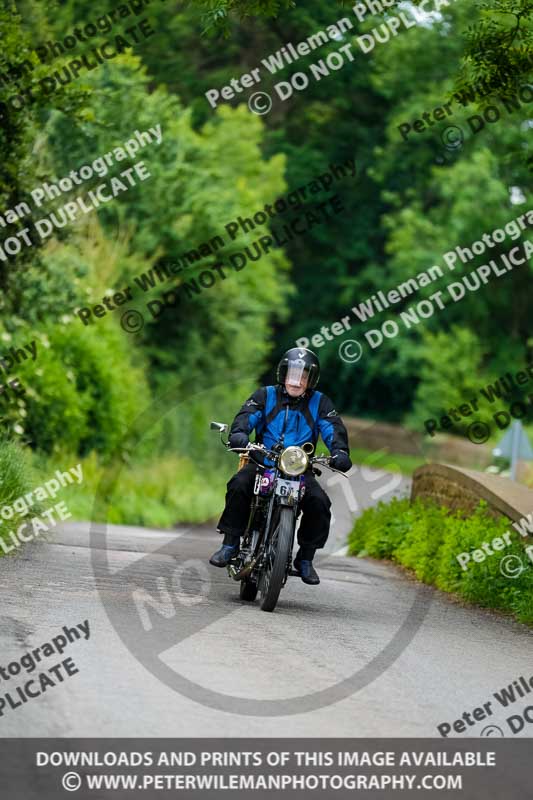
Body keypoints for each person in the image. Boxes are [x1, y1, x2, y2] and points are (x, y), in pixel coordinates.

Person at [209, 347, 352, 585]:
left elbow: (331, 428)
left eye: (303, 375)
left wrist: (340, 452)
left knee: (319, 502)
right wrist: (239, 434)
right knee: (238, 484)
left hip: (298, 471)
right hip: (262, 463)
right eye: (292, 374)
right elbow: (247, 415)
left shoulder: (321, 403)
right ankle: (230, 544)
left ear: (311, 379)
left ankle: (305, 558)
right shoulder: (265, 395)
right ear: (283, 374)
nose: (296, 381)